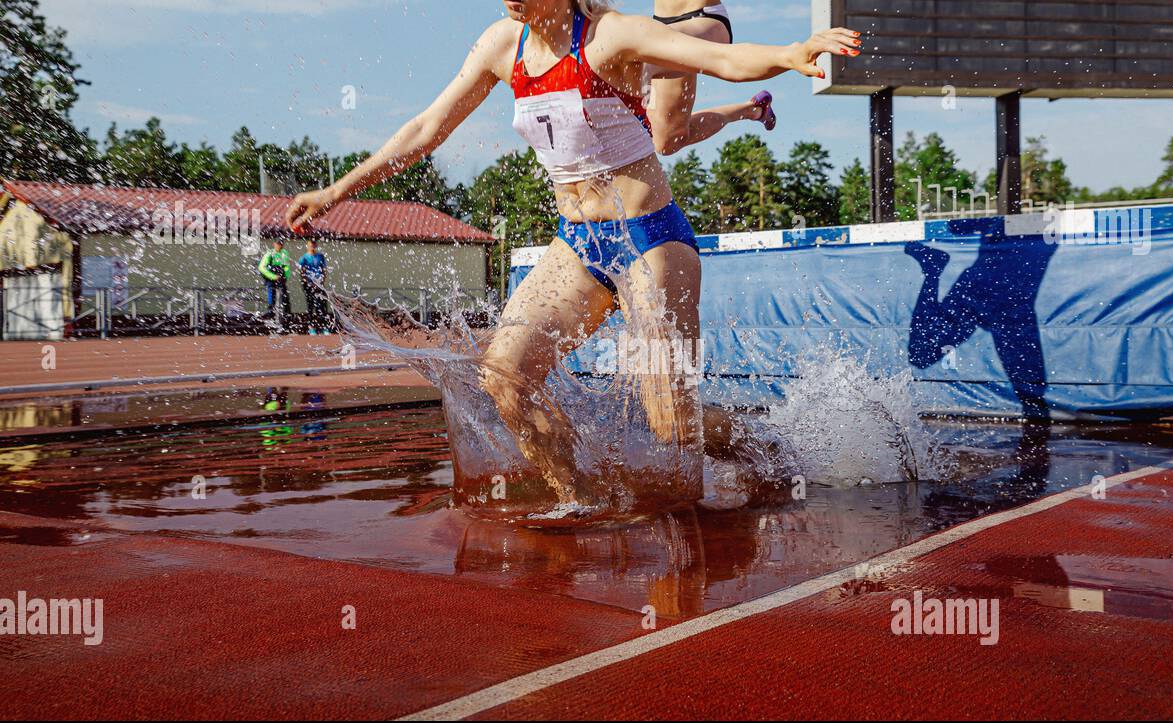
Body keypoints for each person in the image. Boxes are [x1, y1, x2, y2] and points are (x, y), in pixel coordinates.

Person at [286, 0, 858, 500]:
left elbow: (722, 60)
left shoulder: (612, 36)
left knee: (671, 426)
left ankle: (768, 448)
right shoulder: (500, 44)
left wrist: (790, 53)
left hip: (650, 239)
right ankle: (576, 497)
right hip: (577, 245)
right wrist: (337, 191)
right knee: (503, 378)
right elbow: (426, 128)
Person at [648, 1, 776, 156]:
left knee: (632, 61)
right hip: (661, 26)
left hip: (700, 17)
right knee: (666, 142)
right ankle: (754, 110)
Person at [298, 239, 332, 334]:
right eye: (310, 244)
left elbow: (324, 270)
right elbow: (302, 273)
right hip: (308, 285)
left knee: (322, 306)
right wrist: (309, 283)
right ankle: (311, 328)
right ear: (307, 245)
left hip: (319, 285)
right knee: (310, 306)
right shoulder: (303, 258)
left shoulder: (320, 256)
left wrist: (321, 282)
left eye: (314, 244)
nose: (312, 246)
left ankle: (324, 327)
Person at [258, 240, 293, 322]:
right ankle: (270, 316)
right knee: (272, 298)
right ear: (274, 244)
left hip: (281, 278)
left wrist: (285, 276)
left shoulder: (284, 253)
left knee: (285, 298)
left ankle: (287, 318)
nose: (280, 246)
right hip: (271, 278)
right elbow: (261, 268)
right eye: (278, 244)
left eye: (281, 244)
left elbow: (286, 266)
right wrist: (273, 277)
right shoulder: (269, 254)